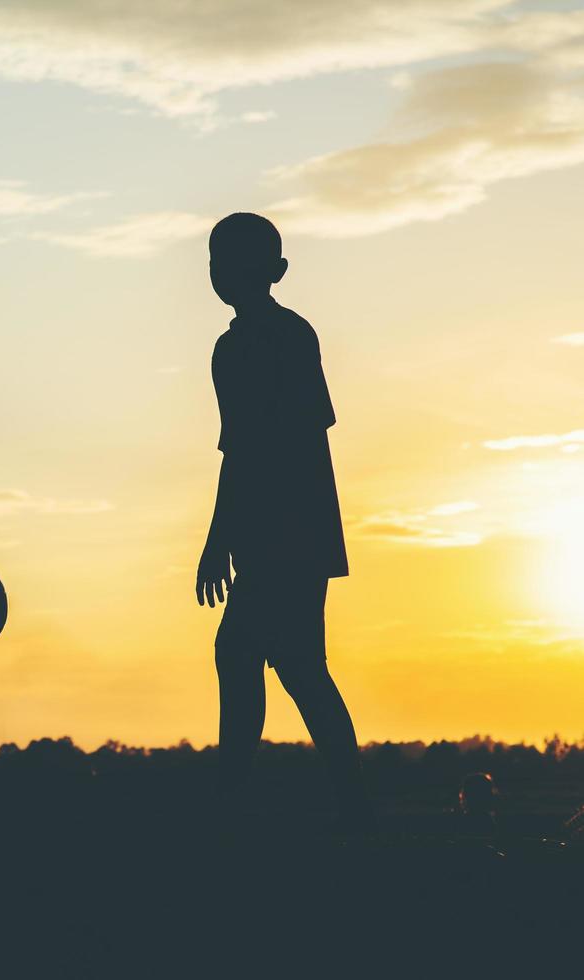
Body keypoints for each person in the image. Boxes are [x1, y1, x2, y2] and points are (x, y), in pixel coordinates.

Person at [194, 212, 374, 832]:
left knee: (263, 659)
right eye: (216, 261)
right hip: (272, 534)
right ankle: (339, 808)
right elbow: (237, 449)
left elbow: (283, 441)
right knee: (281, 664)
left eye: (235, 262)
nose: (223, 274)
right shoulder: (231, 347)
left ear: (274, 272)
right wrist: (224, 540)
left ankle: (235, 805)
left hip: (291, 532)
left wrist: (229, 541)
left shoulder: (287, 338)